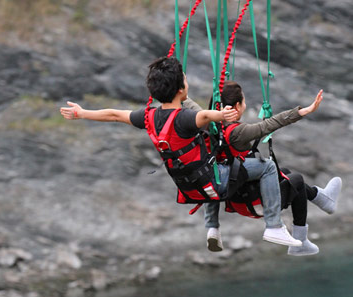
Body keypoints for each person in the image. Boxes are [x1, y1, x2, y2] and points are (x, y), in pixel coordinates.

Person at [59, 56, 302, 248]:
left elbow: (114, 114)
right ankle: (273, 226)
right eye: (184, 81)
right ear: (180, 90)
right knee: (266, 167)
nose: (187, 83)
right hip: (214, 181)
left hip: (188, 186)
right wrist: (223, 115)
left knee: (211, 159)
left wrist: (82, 113)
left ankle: (213, 228)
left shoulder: (150, 117)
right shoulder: (185, 118)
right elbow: (204, 116)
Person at [193, 81, 342, 256]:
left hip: (235, 200)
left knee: (284, 172)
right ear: (236, 107)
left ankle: (322, 198)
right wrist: (304, 111)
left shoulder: (209, 130)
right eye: (244, 102)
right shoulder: (237, 132)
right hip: (254, 202)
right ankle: (300, 242)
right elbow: (269, 125)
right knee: (297, 180)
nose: (245, 105)